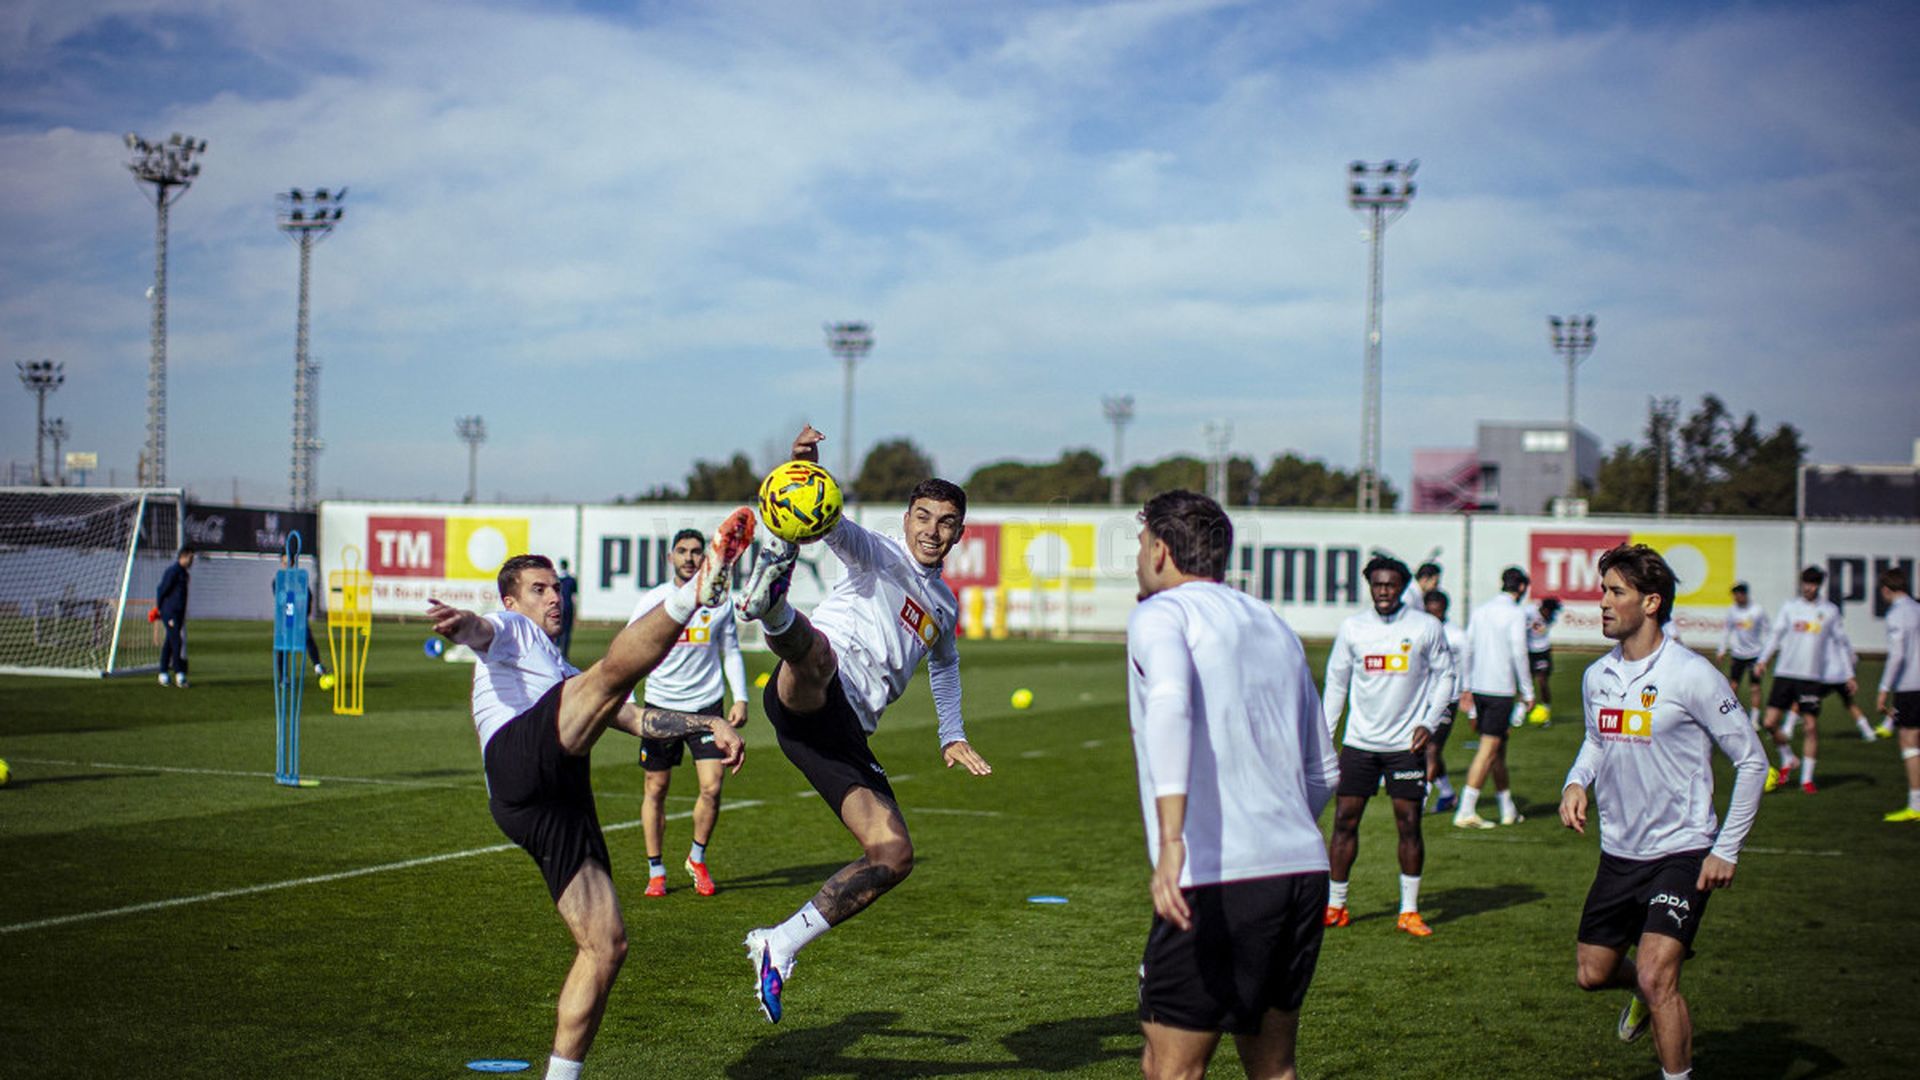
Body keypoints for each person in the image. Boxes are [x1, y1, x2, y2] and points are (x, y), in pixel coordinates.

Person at [427, 513, 751, 1080]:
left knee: (607, 946)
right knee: (607, 679)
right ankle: (699, 591)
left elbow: (635, 717)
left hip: (546, 799)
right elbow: (485, 632)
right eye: (539, 589)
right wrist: (463, 627)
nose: (554, 598)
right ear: (511, 601)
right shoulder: (514, 630)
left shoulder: (558, 664)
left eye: (556, 587)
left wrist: (705, 723)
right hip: (519, 760)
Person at [732, 425, 992, 1025]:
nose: (932, 529)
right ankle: (772, 606)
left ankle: (779, 943)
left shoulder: (945, 607)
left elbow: (946, 665)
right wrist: (804, 469)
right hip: (813, 692)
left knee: (893, 854)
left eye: (945, 521)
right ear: (906, 520)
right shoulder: (877, 551)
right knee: (817, 659)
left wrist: (950, 733)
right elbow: (826, 523)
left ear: (958, 532)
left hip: (843, 736)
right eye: (922, 516)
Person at [1127, 490, 1339, 1080]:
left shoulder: (1160, 613)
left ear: (1163, 551)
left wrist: (1173, 842)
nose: (1137, 560)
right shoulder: (1275, 626)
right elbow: (1324, 770)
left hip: (1217, 880)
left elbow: (1170, 701)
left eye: (1141, 545)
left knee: (1171, 1069)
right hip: (1300, 872)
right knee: (1272, 1068)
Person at [1560, 543, 1767, 1080]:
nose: (1602, 602)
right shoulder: (1597, 677)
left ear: (1651, 603)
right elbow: (1596, 741)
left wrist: (1725, 850)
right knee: (1592, 973)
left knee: (1658, 977)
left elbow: (1752, 761)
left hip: (1682, 851)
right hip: (1618, 853)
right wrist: (1576, 781)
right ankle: (1640, 996)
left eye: (1615, 592)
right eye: (1603, 590)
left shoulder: (1692, 675)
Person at [1321, 556, 1455, 937]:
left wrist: (1428, 722)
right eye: (1377, 584)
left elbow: (1447, 676)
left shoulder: (1425, 627)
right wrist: (1325, 735)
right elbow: (1336, 685)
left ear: (1402, 587)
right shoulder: (1353, 629)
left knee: (1409, 824)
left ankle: (1409, 911)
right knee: (1344, 821)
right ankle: (1336, 905)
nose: (1384, 591)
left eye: (1391, 585)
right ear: (1370, 586)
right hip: (1359, 744)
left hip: (1404, 746)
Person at [628, 528, 749, 897]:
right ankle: (656, 870)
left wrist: (740, 696)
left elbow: (731, 650)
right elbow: (629, 646)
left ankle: (697, 858)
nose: (689, 558)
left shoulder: (720, 601)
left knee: (712, 787)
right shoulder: (654, 600)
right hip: (660, 705)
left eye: (696, 552)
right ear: (670, 558)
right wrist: (630, 699)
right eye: (682, 551)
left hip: (706, 707)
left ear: (706, 557)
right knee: (656, 787)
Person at [1754, 567, 1847, 793]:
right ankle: (1788, 758)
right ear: (1801, 583)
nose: (1809, 587)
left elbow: (1840, 642)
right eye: (1806, 582)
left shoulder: (1830, 611)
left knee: (1810, 727)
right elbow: (1776, 635)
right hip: (1785, 673)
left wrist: (1849, 674)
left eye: (1813, 583)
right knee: (1769, 723)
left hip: (1811, 677)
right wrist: (1763, 659)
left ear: (1819, 585)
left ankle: (1807, 779)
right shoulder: (1790, 607)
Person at [1455, 567, 1535, 829]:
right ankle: (1466, 810)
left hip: (1479, 687)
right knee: (1489, 750)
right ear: (1521, 587)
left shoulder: (1480, 611)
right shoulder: (1515, 614)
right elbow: (1519, 652)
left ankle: (1507, 807)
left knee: (1497, 752)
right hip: (1501, 690)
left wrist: (1466, 686)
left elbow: (1468, 649)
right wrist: (1528, 690)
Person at [1878, 567, 1920, 821]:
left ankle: (1915, 804)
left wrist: (1884, 688)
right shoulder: (1917, 608)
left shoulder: (1897, 614)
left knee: (1909, 740)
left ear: (1885, 589)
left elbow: (1897, 655)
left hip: (1910, 685)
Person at [1422, 589, 1469, 814]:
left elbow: (1468, 666)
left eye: (1437, 613)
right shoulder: (1420, 631)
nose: (1433, 618)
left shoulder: (1457, 636)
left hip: (1447, 699)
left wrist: (1466, 693)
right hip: (1422, 698)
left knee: (1431, 747)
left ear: (1444, 611)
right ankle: (1448, 794)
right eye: (1429, 613)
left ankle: (1419, 799)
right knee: (1428, 750)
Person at [1716, 582, 1768, 727]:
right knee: (1733, 686)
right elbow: (1726, 630)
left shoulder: (1757, 610)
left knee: (1755, 687)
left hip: (1754, 654)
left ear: (1744, 594)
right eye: (1734, 595)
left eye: (1738, 595)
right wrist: (1721, 650)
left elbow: (1767, 631)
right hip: (1738, 654)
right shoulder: (1732, 611)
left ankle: (1755, 719)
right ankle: (1732, 716)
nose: (1736, 598)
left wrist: (1764, 655)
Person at [155, 545, 195, 688]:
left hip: (177, 614)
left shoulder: (184, 574)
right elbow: (162, 589)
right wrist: (160, 609)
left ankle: (163, 673)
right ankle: (179, 674)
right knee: (177, 642)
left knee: (170, 643)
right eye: (190, 558)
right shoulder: (172, 572)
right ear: (183, 557)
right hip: (170, 613)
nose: (192, 562)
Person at [1525, 597, 1563, 725]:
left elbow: (1543, 627)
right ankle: (1520, 711)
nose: (1553, 614)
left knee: (1542, 681)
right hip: (1528, 651)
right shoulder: (1528, 611)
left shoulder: (1551, 618)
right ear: (1545, 609)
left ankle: (1546, 712)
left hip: (1543, 650)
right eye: (1551, 611)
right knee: (1526, 681)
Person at [556, 558, 579, 660]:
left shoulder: (556, 579)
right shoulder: (571, 580)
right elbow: (574, 597)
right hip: (568, 606)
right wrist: (575, 611)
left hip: (559, 606)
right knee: (567, 631)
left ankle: (557, 651)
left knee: (557, 630)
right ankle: (565, 653)